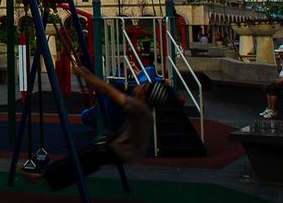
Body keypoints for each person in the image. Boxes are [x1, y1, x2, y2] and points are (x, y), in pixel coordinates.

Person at [23, 64, 173, 192]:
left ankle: (42, 176)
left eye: (143, 86)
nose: (139, 85)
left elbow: (109, 91)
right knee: (85, 160)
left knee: (82, 159)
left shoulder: (138, 107)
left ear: (145, 95)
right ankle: (45, 176)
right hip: (121, 149)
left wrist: (86, 76)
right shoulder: (144, 110)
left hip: (118, 151)